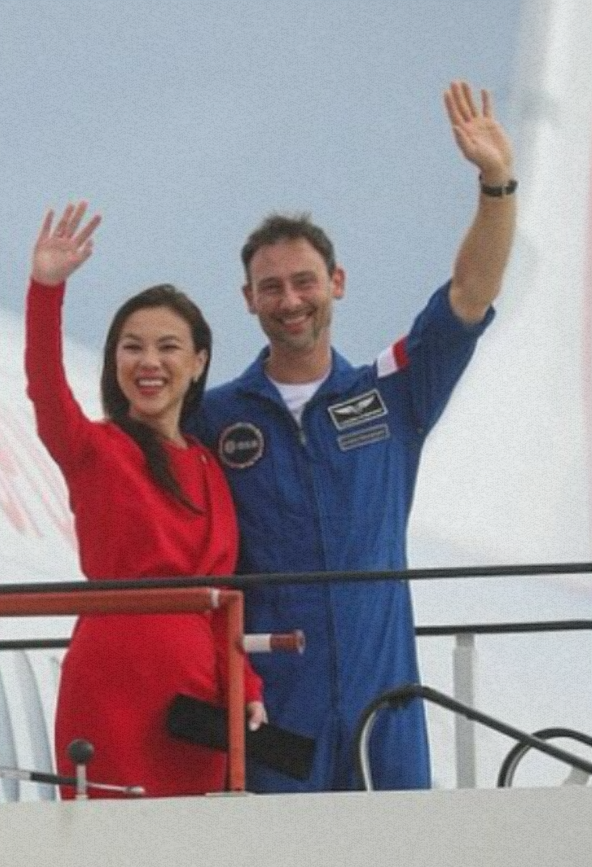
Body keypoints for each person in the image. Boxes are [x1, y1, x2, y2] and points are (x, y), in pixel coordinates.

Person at [187, 80, 516, 793]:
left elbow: (470, 295)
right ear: (248, 300)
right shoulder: (211, 418)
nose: (290, 300)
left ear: (337, 282)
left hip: (383, 705)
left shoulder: (391, 393)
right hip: (273, 710)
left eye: (304, 281)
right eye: (270, 287)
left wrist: (495, 183)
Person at [25, 202, 266, 799]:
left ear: (198, 362)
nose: (149, 363)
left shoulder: (211, 468)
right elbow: (46, 385)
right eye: (132, 348)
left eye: (167, 348)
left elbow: (219, 608)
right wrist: (45, 290)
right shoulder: (95, 449)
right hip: (111, 683)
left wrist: (248, 686)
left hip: (195, 696)